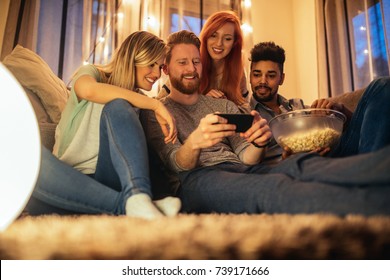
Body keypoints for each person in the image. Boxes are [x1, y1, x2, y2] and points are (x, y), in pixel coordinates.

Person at [141, 30, 390, 216]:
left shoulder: (224, 105)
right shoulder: (157, 110)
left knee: (304, 167)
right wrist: (194, 143)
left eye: (195, 61)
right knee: (273, 188)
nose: (191, 68)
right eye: (182, 62)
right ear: (166, 68)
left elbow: (244, 157)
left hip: (242, 169)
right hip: (197, 179)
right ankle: (376, 205)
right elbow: (175, 162)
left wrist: (258, 143)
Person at [25, 31, 181, 220]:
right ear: (132, 58)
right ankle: (132, 204)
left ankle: (137, 196)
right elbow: (88, 90)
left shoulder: (139, 104)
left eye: (160, 66)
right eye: (151, 64)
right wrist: (155, 104)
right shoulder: (93, 73)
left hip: (108, 179)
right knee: (26, 157)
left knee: (118, 106)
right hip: (66, 180)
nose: (156, 74)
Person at [248, 41, 355, 163]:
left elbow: (353, 126)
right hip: (287, 169)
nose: (263, 81)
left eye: (271, 76)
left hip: (325, 158)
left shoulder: (297, 105)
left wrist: (338, 108)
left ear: (281, 79)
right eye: (257, 75)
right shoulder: (246, 113)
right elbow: (248, 160)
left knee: (377, 88)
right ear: (250, 77)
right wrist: (287, 161)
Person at [158, 11, 250, 113]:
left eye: (227, 38)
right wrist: (204, 102)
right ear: (206, 37)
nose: (219, 43)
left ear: (234, 43)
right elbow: (159, 104)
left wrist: (224, 106)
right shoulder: (191, 68)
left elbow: (246, 110)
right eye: (214, 35)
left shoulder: (238, 73)